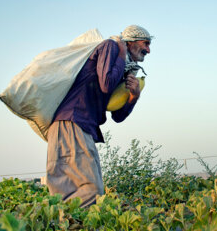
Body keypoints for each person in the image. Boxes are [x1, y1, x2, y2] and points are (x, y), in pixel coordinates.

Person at [45, 25, 152, 207]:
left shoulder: (124, 68)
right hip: (73, 122)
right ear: (131, 41)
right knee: (90, 191)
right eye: (146, 43)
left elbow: (117, 116)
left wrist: (133, 97)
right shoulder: (110, 47)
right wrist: (119, 52)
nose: (148, 50)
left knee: (68, 197)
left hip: (76, 126)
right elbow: (106, 84)